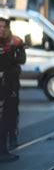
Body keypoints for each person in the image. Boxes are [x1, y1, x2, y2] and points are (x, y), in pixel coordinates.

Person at [0, 17, 26, 162]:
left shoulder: (15, 43)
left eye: (4, 26)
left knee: (9, 115)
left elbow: (21, 60)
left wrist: (15, 50)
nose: (1, 29)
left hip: (10, 85)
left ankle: (9, 140)